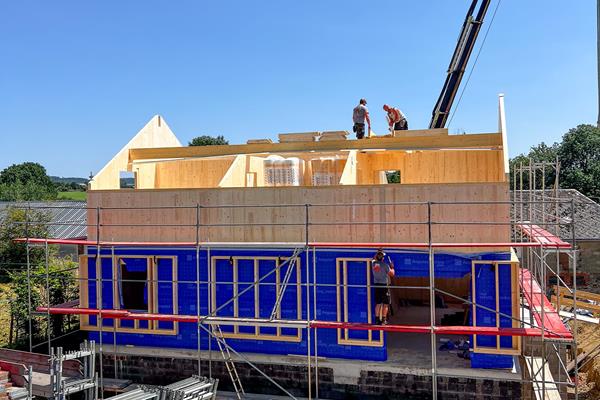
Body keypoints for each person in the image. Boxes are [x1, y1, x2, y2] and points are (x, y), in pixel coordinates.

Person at [372, 249, 395, 325]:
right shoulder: (385, 265)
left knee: (378, 303)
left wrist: (378, 252)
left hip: (377, 285)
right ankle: (384, 320)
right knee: (385, 304)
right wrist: (392, 267)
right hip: (384, 286)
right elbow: (392, 274)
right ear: (382, 258)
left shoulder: (374, 264)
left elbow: (374, 258)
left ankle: (377, 320)